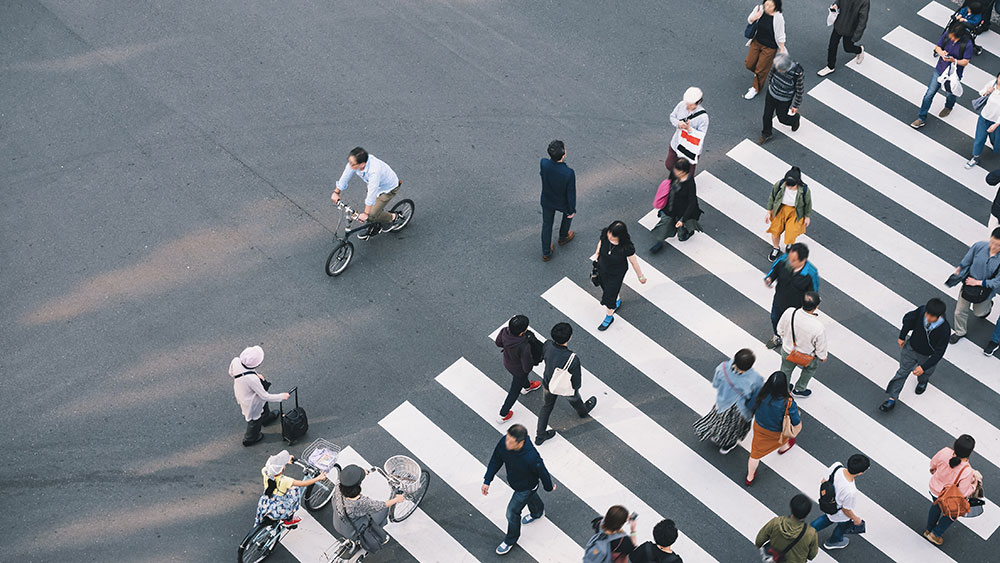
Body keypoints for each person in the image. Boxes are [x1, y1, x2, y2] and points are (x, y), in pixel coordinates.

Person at [483, 424, 556, 556]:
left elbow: (543, 472)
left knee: (512, 512)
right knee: (531, 497)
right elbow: (496, 459)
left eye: (510, 442)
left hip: (526, 487)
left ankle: (511, 539)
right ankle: (538, 512)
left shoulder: (531, 457)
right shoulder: (505, 442)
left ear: (520, 443)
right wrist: (487, 480)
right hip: (517, 482)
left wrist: (549, 487)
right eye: (507, 439)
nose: (507, 443)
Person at [881, 298, 950, 412]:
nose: (927, 317)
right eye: (927, 314)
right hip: (911, 348)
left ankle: (922, 382)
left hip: (927, 356)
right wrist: (902, 336)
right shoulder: (922, 311)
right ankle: (892, 398)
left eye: (931, 316)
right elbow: (909, 320)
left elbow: (939, 352)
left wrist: (923, 367)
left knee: (925, 373)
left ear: (939, 316)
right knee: (902, 372)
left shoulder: (944, 329)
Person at [535, 322, 597, 445]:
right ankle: (583, 412)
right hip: (565, 386)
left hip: (549, 382)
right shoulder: (572, 358)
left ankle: (540, 435)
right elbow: (576, 380)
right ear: (570, 338)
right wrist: (575, 388)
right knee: (575, 400)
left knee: (547, 407)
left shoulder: (547, 344)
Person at [693, 349, 764, 455]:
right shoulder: (755, 379)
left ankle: (715, 433)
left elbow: (716, 384)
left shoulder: (723, 368)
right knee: (732, 427)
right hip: (739, 408)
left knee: (718, 419)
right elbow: (755, 396)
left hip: (722, 402)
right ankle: (727, 444)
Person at [331, 147, 405, 239]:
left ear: (362, 164)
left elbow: (371, 194)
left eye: (352, 164)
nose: (350, 165)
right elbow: (346, 175)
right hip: (375, 185)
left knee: (371, 214)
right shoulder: (354, 163)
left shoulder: (374, 171)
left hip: (388, 189)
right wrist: (336, 192)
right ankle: (375, 224)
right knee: (372, 210)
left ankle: (393, 217)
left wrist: (366, 213)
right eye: (349, 162)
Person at [911, 22, 974, 129]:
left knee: (950, 94)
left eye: (954, 39)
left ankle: (949, 106)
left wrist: (954, 60)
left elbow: (965, 62)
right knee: (929, 94)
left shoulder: (967, 44)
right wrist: (942, 54)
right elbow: (938, 47)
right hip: (939, 70)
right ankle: (921, 117)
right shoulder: (947, 34)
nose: (952, 40)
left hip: (953, 74)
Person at [746, 371, 801, 486]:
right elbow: (796, 422)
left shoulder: (759, 393)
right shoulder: (788, 403)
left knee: (755, 454)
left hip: (760, 428)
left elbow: (750, 406)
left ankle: (750, 477)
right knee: (784, 438)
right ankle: (783, 448)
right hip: (778, 431)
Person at [332, 464, 405, 552]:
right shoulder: (360, 503)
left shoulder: (339, 485)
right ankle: (377, 536)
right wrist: (396, 499)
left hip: (338, 523)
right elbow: (380, 505)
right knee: (383, 511)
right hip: (353, 531)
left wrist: (362, 472)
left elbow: (349, 480)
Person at [230, 345, 290, 447]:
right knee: (254, 419)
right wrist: (281, 396)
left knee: (263, 408)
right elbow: (265, 396)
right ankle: (251, 438)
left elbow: (232, 373)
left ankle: (266, 418)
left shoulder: (236, 361)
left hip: (243, 392)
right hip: (251, 402)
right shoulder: (252, 380)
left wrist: (254, 374)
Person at [925, 434, 980, 545]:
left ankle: (928, 530)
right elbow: (963, 492)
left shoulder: (945, 452)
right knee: (952, 515)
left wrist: (933, 470)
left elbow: (933, 464)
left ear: (955, 444)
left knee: (936, 506)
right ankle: (935, 534)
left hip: (935, 489)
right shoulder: (967, 471)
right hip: (948, 497)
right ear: (970, 452)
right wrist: (974, 485)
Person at [765, 243, 820, 349]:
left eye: (793, 260)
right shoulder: (783, 261)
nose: (789, 261)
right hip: (779, 301)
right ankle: (777, 337)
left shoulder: (810, 273)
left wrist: (809, 307)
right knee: (775, 318)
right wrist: (769, 278)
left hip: (796, 307)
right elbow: (774, 271)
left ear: (803, 260)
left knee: (795, 326)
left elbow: (813, 293)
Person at [949, 228, 1000, 343]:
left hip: (984, 289)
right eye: (992, 242)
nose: (993, 247)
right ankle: (960, 332)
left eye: (998, 245)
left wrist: (978, 283)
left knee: (979, 313)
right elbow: (967, 260)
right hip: (969, 284)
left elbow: (997, 281)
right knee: (960, 311)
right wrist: (960, 270)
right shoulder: (979, 246)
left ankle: (988, 307)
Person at [810, 454, 869, 551]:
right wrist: (856, 519)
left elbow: (824, 481)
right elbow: (846, 509)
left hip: (827, 503)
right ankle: (834, 541)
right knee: (842, 526)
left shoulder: (836, 466)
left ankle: (805, 533)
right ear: (860, 473)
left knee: (826, 519)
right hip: (838, 512)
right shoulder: (851, 491)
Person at [595, 221, 647, 331]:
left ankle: (609, 316)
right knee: (604, 286)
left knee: (609, 297)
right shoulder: (605, 234)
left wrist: (640, 276)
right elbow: (601, 242)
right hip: (602, 267)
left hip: (616, 273)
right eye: (609, 232)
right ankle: (616, 299)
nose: (609, 236)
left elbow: (634, 262)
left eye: (613, 235)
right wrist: (597, 253)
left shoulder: (626, 247)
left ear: (620, 236)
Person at [255, 450, 327, 527]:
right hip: (279, 507)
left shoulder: (265, 471)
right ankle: (288, 520)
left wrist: (285, 461)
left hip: (267, 501)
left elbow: (273, 467)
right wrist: (318, 478)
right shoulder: (285, 480)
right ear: (283, 468)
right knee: (295, 490)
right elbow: (303, 484)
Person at [777, 292, 828, 398]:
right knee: (810, 369)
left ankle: (784, 389)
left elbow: (780, 330)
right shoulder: (818, 327)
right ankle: (800, 388)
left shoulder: (790, 312)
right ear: (816, 307)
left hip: (788, 351)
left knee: (785, 370)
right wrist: (822, 357)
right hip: (806, 356)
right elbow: (820, 346)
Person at [495, 315, 542, 423]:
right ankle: (503, 414)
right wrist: (528, 369)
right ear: (522, 331)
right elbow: (526, 366)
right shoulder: (524, 346)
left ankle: (527, 386)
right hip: (519, 369)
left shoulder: (504, 331)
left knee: (521, 379)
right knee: (514, 391)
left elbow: (498, 343)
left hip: (508, 362)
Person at [650, 158, 703, 251]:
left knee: (681, 233)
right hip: (670, 207)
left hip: (683, 211)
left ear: (684, 171)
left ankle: (686, 232)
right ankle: (660, 241)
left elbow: (692, 202)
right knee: (664, 224)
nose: (675, 171)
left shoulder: (690, 183)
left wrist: (683, 219)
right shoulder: (675, 175)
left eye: (678, 170)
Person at [765, 166, 812, 261]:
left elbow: (808, 203)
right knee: (775, 230)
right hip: (780, 209)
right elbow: (772, 197)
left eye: (792, 186)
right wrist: (769, 211)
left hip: (795, 212)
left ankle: (789, 244)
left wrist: (807, 216)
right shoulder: (780, 184)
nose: (789, 187)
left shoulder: (804, 190)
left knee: (791, 232)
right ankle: (776, 248)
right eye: (788, 185)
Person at [755, 494, 819, 563]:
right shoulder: (811, 533)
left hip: (776, 559)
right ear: (807, 513)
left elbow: (759, 540)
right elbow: (812, 555)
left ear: (791, 508)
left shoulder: (776, 522)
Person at [540, 140, 576, 262]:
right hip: (562, 201)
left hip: (547, 199)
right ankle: (563, 236)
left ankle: (546, 252)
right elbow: (571, 194)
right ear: (563, 154)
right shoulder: (568, 173)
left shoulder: (543, 163)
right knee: (568, 215)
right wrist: (571, 209)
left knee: (547, 225)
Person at [758, 51, 804, 145]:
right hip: (771, 94)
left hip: (784, 99)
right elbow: (771, 75)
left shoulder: (797, 73)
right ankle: (766, 134)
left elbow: (799, 90)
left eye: (780, 70)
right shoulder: (778, 63)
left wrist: (796, 105)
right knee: (767, 115)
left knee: (782, 118)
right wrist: (771, 86)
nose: (778, 71)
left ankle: (794, 119)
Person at [744, 0, 787, 100]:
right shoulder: (759, 9)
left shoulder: (779, 18)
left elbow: (781, 35)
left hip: (770, 47)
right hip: (757, 42)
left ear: (776, 6)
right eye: (766, 4)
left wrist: (782, 49)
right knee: (749, 64)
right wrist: (756, 17)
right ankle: (760, 74)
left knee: (761, 69)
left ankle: (756, 88)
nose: (767, 6)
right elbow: (750, 20)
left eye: (770, 5)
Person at [817, 0, 869, 76]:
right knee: (832, 46)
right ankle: (830, 66)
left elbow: (863, 21)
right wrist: (835, 5)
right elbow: (838, 1)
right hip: (839, 25)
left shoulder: (864, 2)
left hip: (850, 30)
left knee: (847, 48)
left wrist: (857, 35)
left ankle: (860, 50)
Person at [666, 87, 709, 175]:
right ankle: (677, 177)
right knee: (669, 164)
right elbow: (672, 116)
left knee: (688, 173)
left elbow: (701, 135)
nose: (687, 105)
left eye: (690, 104)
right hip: (677, 143)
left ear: (698, 102)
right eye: (687, 103)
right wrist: (678, 123)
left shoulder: (703, 118)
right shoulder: (681, 105)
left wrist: (689, 129)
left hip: (690, 149)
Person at [965, 72, 1000, 168]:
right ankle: (975, 157)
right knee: (979, 139)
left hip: (997, 122)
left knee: (996, 141)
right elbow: (982, 92)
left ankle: (997, 149)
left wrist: (996, 125)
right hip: (984, 117)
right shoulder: (992, 83)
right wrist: (987, 92)